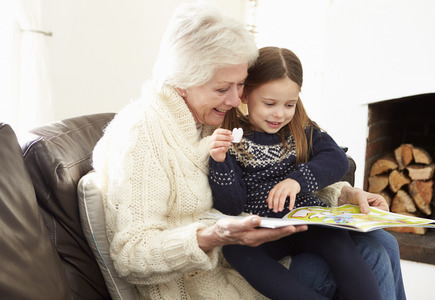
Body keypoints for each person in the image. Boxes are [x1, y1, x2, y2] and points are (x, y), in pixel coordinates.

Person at [91, 1, 405, 299]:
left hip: (258, 245)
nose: (235, 99)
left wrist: (343, 194)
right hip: (214, 283)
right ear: (183, 80)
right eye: (222, 88)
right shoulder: (142, 133)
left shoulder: (208, 117)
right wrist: (213, 236)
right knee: (373, 251)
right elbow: (132, 255)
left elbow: (273, 169)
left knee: (382, 240)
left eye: (240, 85)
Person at [208, 46, 381, 300]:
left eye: (289, 104)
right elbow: (231, 206)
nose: (280, 114)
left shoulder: (303, 130)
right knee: (235, 251)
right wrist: (219, 162)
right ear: (245, 95)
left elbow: (337, 160)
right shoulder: (232, 140)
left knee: (337, 240)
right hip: (266, 231)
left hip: (307, 222)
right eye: (270, 104)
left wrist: (297, 181)